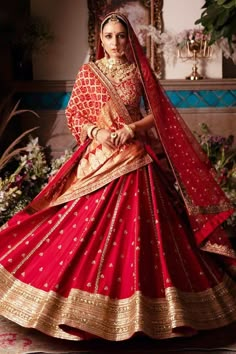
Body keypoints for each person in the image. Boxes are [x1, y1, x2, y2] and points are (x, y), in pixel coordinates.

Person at [0, 12, 236, 342]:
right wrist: (96, 131)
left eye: (121, 36)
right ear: (101, 39)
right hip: (98, 159)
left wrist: (132, 128)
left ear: (130, 38)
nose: (115, 43)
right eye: (109, 37)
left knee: (148, 228)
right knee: (79, 227)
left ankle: (157, 312)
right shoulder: (89, 72)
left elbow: (159, 113)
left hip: (137, 157)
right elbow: (75, 113)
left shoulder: (140, 70)